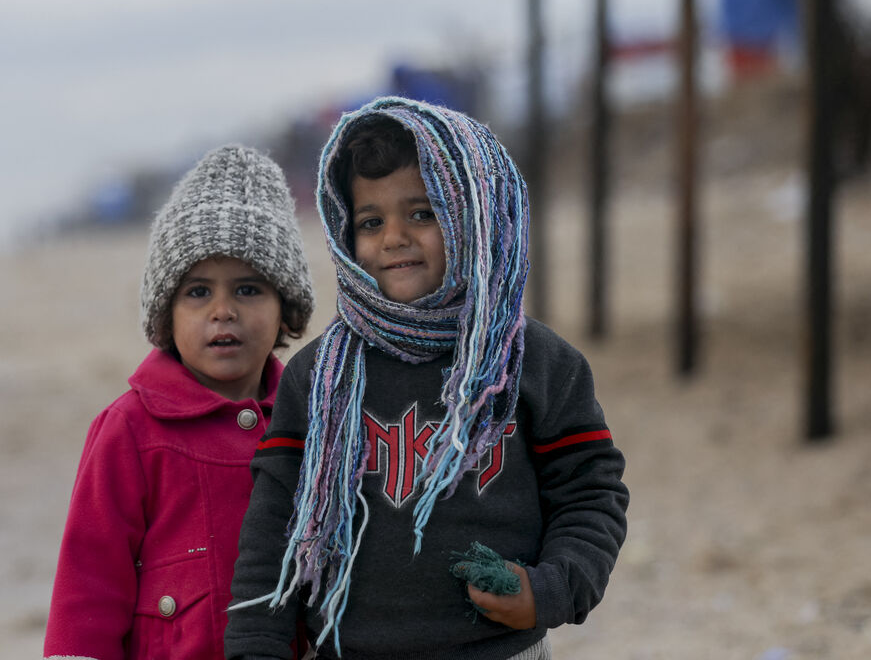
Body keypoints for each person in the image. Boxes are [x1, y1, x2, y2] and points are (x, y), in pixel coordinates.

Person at [225, 97, 629, 660]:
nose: (394, 237)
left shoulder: (532, 360)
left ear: (474, 217)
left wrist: (551, 589)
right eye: (371, 221)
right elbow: (274, 528)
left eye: (422, 213)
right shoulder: (317, 377)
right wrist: (256, 647)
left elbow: (590, 492)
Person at [44, 145, 315, 660]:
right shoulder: (130, 431)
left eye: (249, 288)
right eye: (197, 292)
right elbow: (88, 589)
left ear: (287, 309)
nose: (223, 311)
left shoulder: (313, 422)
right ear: (166, 315)